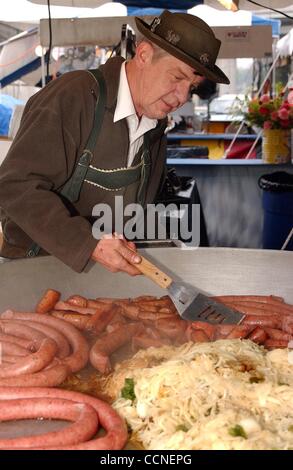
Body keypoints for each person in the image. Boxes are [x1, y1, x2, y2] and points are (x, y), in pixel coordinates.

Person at [0, 10, 229, 275]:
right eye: (177, 78)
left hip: (103, 279)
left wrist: (169, 250)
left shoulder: (156, 126)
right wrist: (88, 244)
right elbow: (14, 186)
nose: (181, 97)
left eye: (191, 87)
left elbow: (140, 211)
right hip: (34, 272)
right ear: (143, 55)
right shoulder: (74, 97)